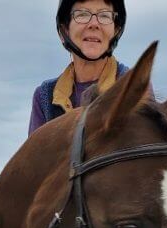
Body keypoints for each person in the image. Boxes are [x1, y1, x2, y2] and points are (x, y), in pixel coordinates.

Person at [29, 0, 129, 135]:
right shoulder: (45, 96)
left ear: (116, 30)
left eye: (104, 15)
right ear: (65, 29)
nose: (94, 24)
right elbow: (36, 154)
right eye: (82, 14)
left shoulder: (132, 85)